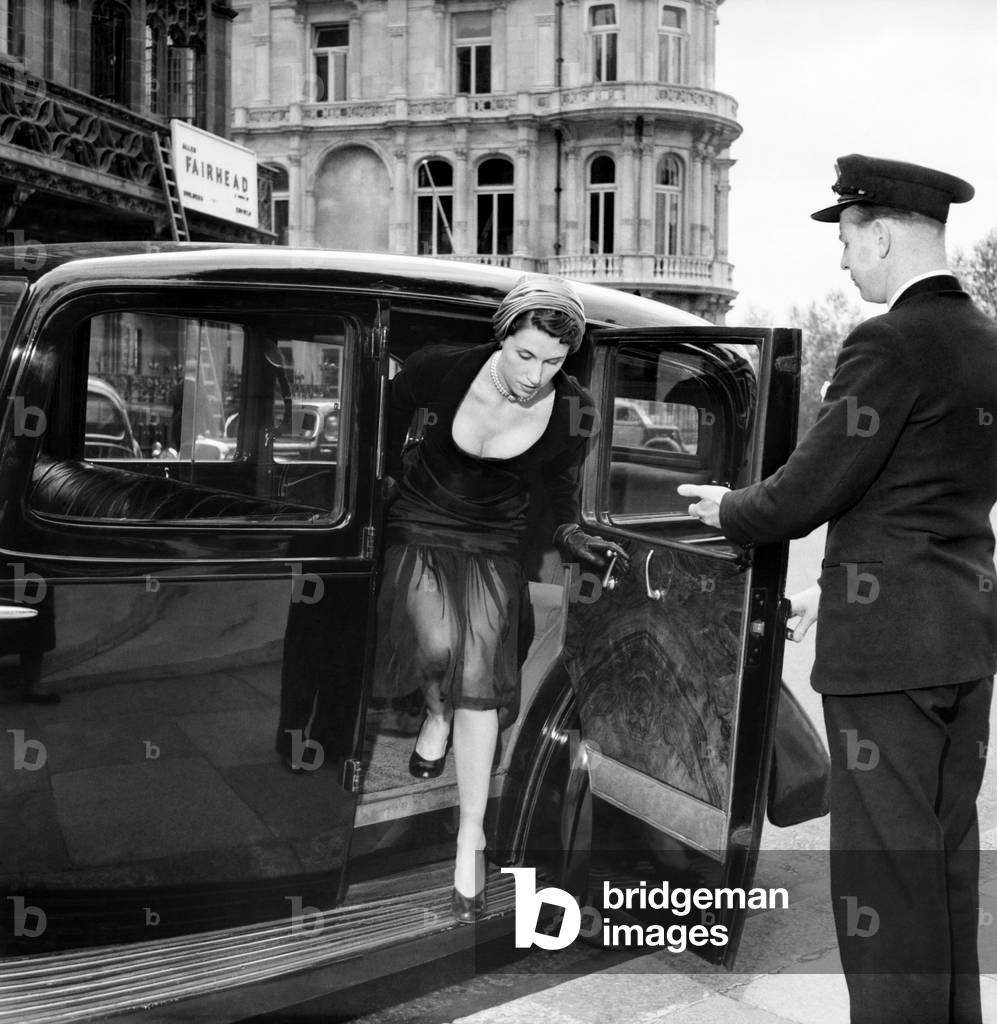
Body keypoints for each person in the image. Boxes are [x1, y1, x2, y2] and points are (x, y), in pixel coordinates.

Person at [679, 154, 997, 1024]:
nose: (842, 261)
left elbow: (809, 489)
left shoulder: (888, 341)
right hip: (961, 641)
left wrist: (727, 508)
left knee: (882, 884)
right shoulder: (983, 339)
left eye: (848, 239)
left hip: (888, 662)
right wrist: (846, 588)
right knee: (940, 867)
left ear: (882, 234)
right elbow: (931, 497)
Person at [374, 275, 626, 923]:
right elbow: (379, 424)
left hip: (495, 541)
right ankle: (435, 718)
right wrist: (377, 482)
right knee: (435, 645)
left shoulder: (572, 410)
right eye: (524, 355)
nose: (534, 374)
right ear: (502, 337)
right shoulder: (437, 370)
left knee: (478, 680)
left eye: (552, 362)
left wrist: (574, 536)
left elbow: (564, 496)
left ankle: (471, 839)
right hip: (421, 520)